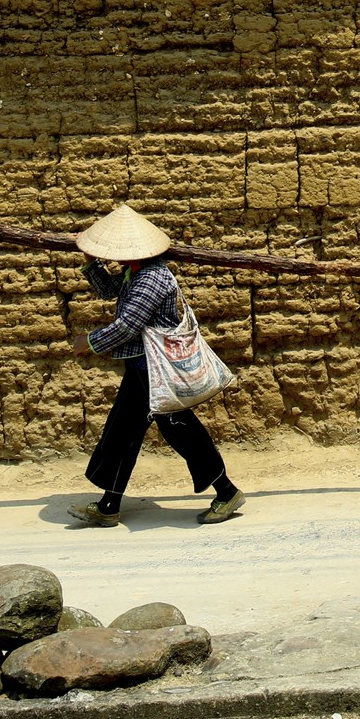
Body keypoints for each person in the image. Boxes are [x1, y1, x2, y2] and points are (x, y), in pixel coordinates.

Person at [68, 204, 244, 529]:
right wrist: (91, 262)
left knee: (181, 432)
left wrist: (89, 343)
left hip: (156, 373)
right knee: (123, 432)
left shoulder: (152, 279)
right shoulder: (135, 272)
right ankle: (109, 505)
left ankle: (227, 491)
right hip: (141, 371)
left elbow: (126, 326)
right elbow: (110, 291)